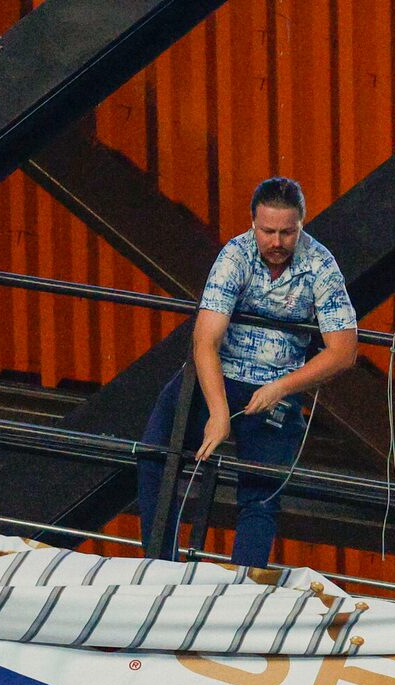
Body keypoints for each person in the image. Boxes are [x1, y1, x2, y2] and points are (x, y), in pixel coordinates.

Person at [136, 177, 361, 567]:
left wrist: (282, 387)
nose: (277, 241)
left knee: (261, 495)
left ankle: (243, 590)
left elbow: (344, 351)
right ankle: (161, 567)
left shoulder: (321, 264)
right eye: (268, 231)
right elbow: (205, 340)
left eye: (288, 232)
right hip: (218, 377)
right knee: (156, 453)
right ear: (252, 223)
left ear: (301, 225)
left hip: (277, 384)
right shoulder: (235, 255)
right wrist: (218, 411)